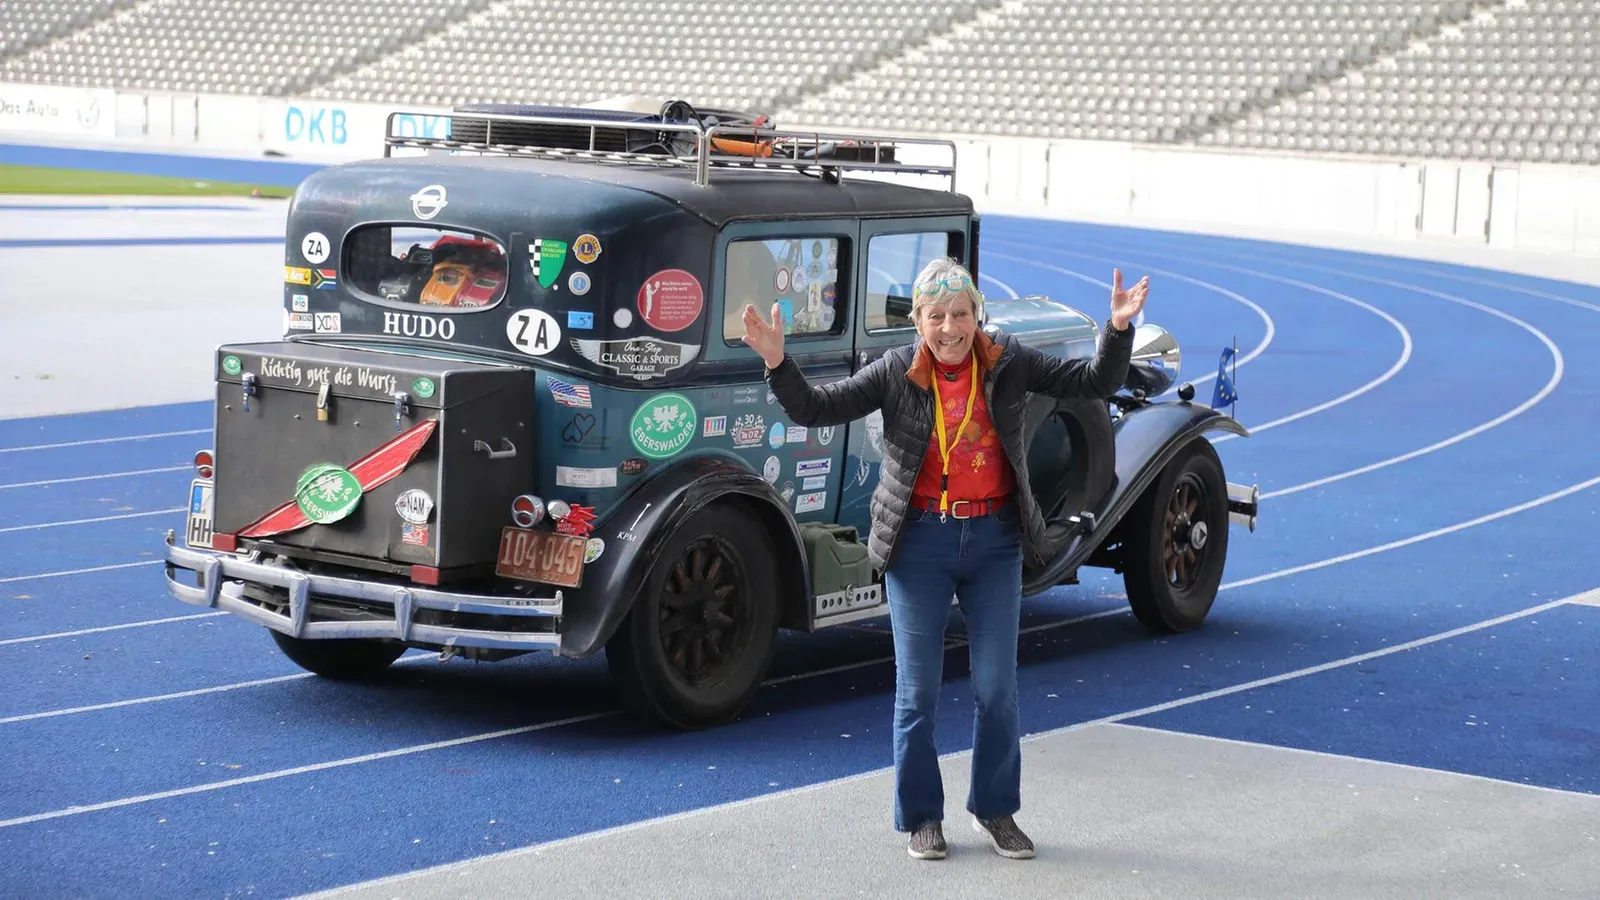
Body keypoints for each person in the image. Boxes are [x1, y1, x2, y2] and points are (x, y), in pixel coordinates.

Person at [741, 256, 1148, 861]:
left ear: (976, 315)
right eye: (937, 317)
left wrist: (1117, 331)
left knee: (997, 688)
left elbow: (1092, 383)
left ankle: (996, 810)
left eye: (961, 314)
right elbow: (817, 409)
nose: (950, 329)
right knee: (918, 692)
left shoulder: (1009, 360)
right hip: (920, 544)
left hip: (995, 542)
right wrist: (777, 361)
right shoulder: (894, 371)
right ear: (919, 322)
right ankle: (921, 818)